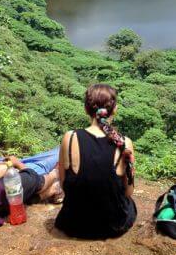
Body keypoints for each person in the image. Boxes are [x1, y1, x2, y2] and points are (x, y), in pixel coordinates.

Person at [55, 83, 137, 239]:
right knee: (130, 204)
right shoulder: (124, 142)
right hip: (112, 226)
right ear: (115, 109)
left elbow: (65, 185)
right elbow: (128, 192)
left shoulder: (70, 137)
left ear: (87, 109)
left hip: (73, 223)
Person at [0, 128, 62, 201]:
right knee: (59, 153)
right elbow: (33, 179)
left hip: (18, 164)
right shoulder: (0, 175)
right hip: (32, 169)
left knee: (54, 152)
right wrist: (17, 163)